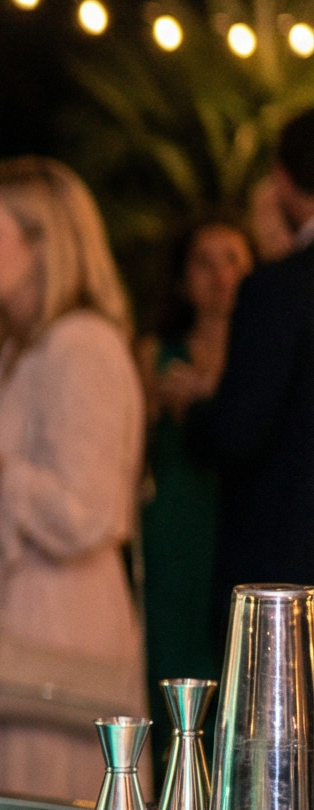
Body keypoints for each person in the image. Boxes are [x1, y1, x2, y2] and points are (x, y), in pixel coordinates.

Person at [0, 158, 144, 808]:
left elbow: (86, 511)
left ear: (44, 243)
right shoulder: (21, 352)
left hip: (49, 629)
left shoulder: (84, 346)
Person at [190, 112, 314, 600]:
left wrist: (195, 412)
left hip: (287, 572)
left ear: (281, 179)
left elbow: (239, 429)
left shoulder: (278, 288)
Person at [137, 222, 255, 687]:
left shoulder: (267, 357)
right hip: (174, 530)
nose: (221, 275)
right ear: (183, 280)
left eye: (232, 259)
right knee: (172, 662)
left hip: (239, 522)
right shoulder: (155, 354)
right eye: (204, 262)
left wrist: (204, 401)